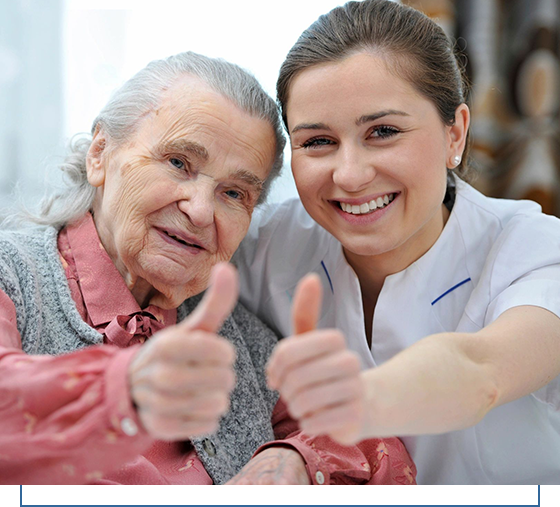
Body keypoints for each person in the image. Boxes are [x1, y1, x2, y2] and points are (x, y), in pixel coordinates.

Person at [0, 51, 415, 490]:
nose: (200, 211)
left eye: (233, 193)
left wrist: (294, 461)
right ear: (100, 153)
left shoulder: (240, 341)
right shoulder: (12, 277)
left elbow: (374, 445)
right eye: (179, 163)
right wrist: (127, 388)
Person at [234, 0, 560, 485]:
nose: (349, 175)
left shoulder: (536, 251)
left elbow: (481, 373)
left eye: (382, 132)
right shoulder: (265, 245)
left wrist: (348, 410)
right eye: (318, 141)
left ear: (456, 134)